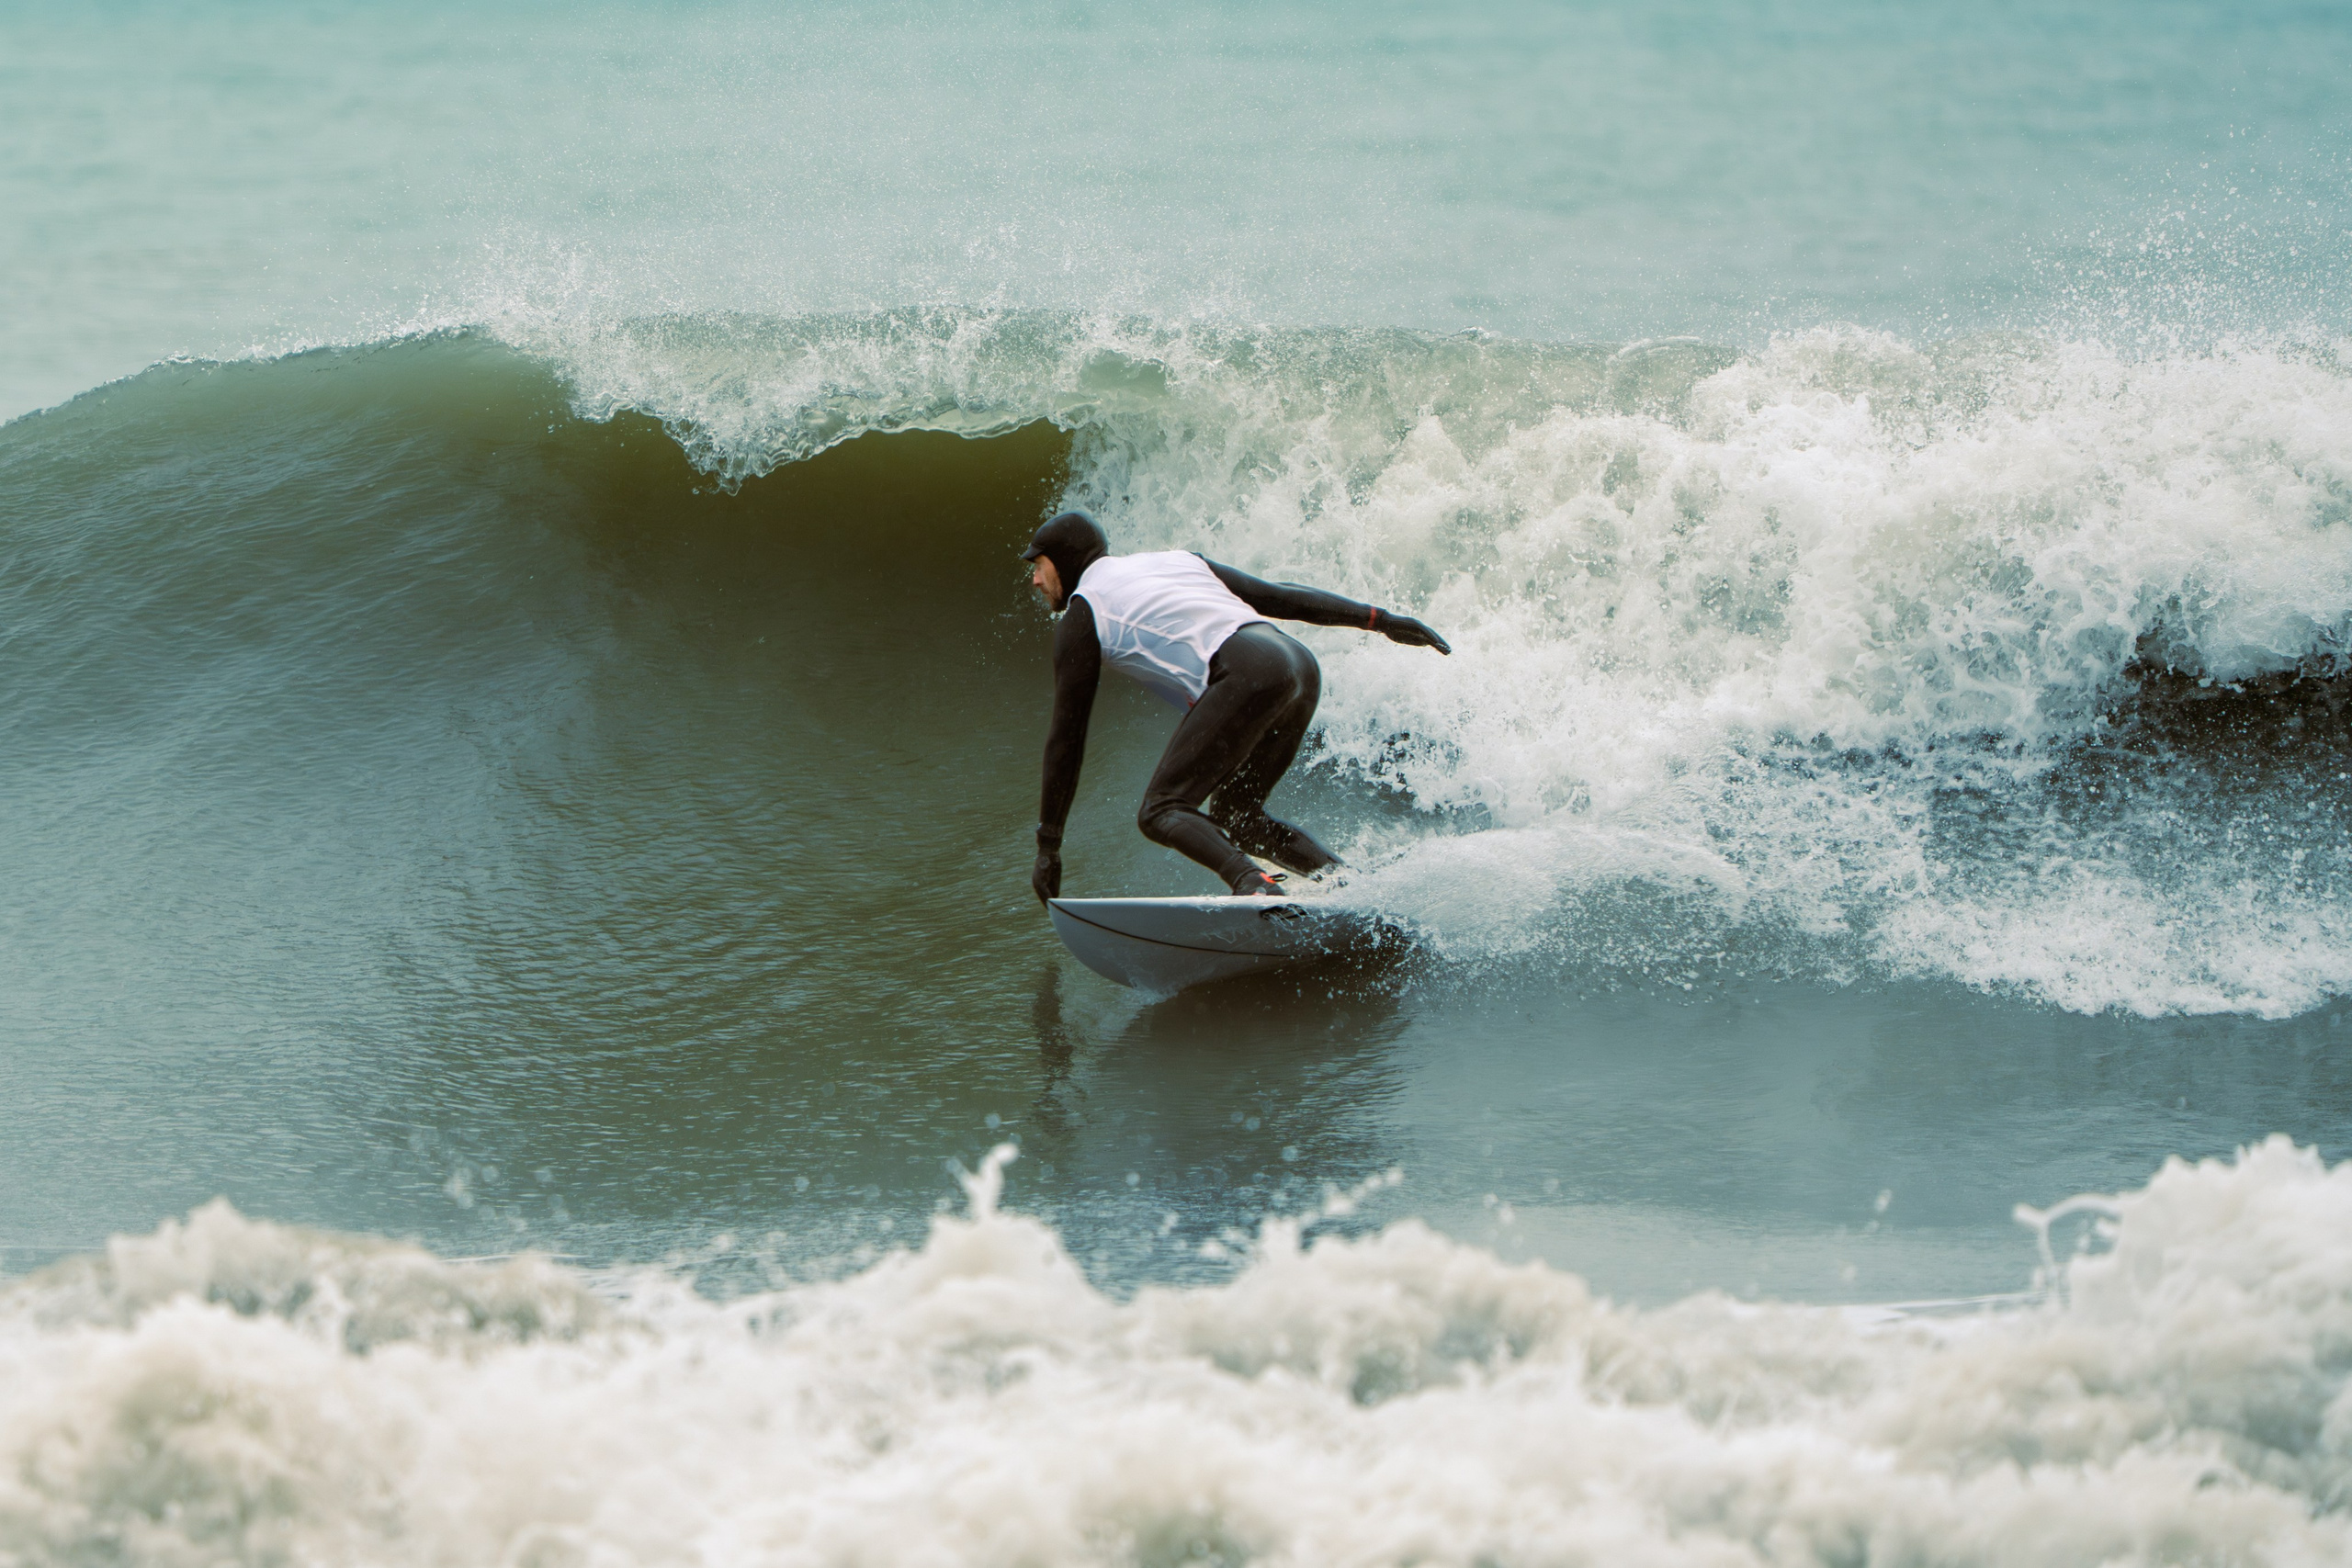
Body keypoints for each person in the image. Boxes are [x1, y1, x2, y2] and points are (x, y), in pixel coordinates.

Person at [1022, 510, 1451, 904]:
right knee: (1239, 819)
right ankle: (1350, 888)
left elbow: (1067, 738)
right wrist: (1379, 619)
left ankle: (1252, 882)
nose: (1036, 580)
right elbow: (1280, 596)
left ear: (1066, 560)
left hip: (1248, 673)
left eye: (1039, 566)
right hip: (1298, 665)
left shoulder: (1085, 612)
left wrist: (1048, 847)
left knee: (1161, 809)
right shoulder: (1175, 561)